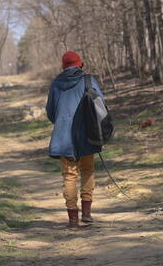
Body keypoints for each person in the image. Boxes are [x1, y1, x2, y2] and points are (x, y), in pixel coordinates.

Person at [45, 50, 104, 228]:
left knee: (69, 176)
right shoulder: (88, 80)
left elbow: (50, 111)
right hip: (86, 135)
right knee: (87, 170)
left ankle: (72, 219)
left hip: (64, 137)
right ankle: (86, 212)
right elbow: (100, 103)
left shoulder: (56, 84)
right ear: (80, 64)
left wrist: (62, 122)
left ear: (63, 66)